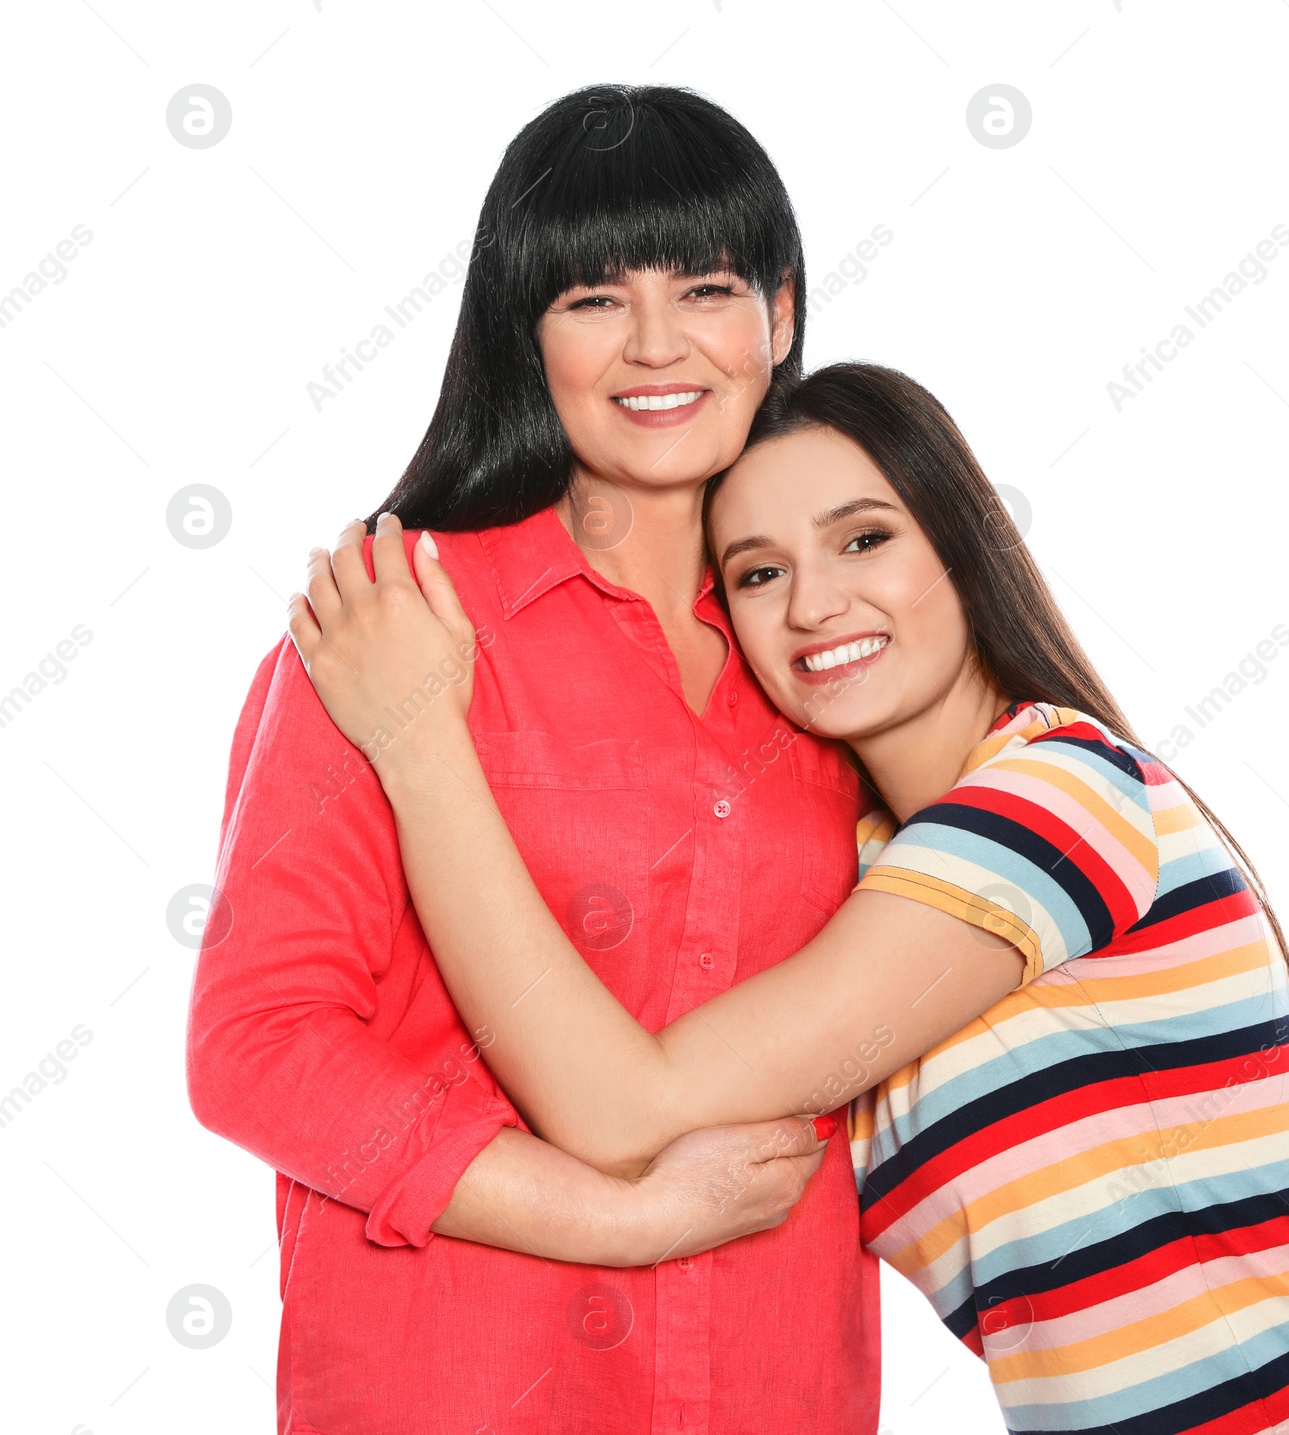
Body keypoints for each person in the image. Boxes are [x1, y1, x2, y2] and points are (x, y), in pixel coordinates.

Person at [289, 362, 1289, 1434]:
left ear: (962, 547)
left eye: (864, 539)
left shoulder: (1056, 799)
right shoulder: (866, 877)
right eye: (759, 572)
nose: (814, 604)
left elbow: (622, 1107)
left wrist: (417, 740)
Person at [187, 86, 878, 1435]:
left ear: (780, 315)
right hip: (456, 1380)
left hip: (773, 1378)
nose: (658, 344)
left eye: (708, 286)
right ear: (526, 330)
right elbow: (256, 1046)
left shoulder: (840, 651)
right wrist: (616, 1217)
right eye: (592, 299)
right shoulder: (398, 626)